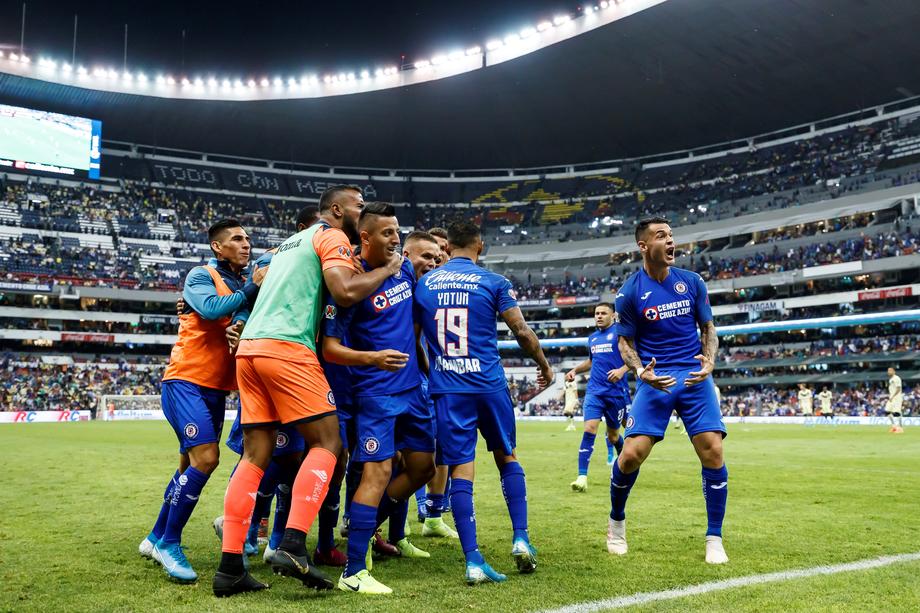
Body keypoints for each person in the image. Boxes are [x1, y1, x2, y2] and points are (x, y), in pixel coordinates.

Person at [213, 185, 402, 597]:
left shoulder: (287, 244)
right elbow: (345, 291)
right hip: (287, 347)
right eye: (357, 205)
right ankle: (294, 544)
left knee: (255, 455)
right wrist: (389, 270)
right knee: (328, 443)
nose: (362, 210)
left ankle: (230, 568)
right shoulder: (329, 235)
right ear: (336, 210)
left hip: (250, 351)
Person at [414, 220, 554, 585]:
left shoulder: (425, 284)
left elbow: (415, 342)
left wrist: (436, 372)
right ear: (480, 245)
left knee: (461, 469)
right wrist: (543, 365)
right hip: (488, 385)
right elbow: (521, 331)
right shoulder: (494, 282)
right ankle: (521, 539)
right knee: (507, 456)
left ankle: (473, 560)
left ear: (447, 248)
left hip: (448, 389)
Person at [139, 219, 261, 583]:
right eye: (237, 239)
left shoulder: (242, 282)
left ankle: (156, 536)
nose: (245, 244)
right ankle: (170, 543)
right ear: (217, 247)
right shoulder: (200, 275)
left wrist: (244, 305)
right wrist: (251, 291)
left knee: (186, 466)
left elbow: (239, 314)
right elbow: (208, 310)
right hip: (186, 380)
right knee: (207, 459)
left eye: (247, 239)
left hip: (214, 389)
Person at [323, 205, 436, 595]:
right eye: (387, 232)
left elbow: (415, 319)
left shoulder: (404, 267)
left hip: (412, 391)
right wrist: (372, 358)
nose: (395, 239)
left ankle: (362, 527)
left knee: (422, 467)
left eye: (397, 231)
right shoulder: (349, 284)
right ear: (366, 237)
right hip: (375, 392)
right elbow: (330, 347)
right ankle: (353, 571)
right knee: (377, 473)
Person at [609, 217, 729, 565]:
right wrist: (637, 370)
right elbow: (625, 342)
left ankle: (714, 537)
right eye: (662, 236)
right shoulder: (629, 292)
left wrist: (709, 359)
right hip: (655, 378)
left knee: (713, 450)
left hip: (693, 377)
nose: (671, 240)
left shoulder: (692, 282)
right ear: (644, 246)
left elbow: (708, 327)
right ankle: (616, 521)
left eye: (672, 235)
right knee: (630, 455)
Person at [566, 302, 630, 492]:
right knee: (589, 429)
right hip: (594, 392)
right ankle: (582, 477)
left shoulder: (621, 333)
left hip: (616, 393)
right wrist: (575, 370)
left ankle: (623, 460)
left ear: (613, 315)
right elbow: (591, 361)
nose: (599, 316)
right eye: (596, 313)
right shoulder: (593, 338)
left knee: (613, 436)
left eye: (603, 313)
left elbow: (637, 356)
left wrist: (622, 370)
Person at [885, 367, 904, 433]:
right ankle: (894, 426)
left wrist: (893, 396)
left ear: (894, 371)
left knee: (897, 412)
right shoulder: (891, 379)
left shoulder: (896, 378)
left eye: (890, 371)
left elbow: (898, 389)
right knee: (887, 411)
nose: (888, 372)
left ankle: (900, 428)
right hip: (891, 397)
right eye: (888, 371)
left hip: (897, 397)